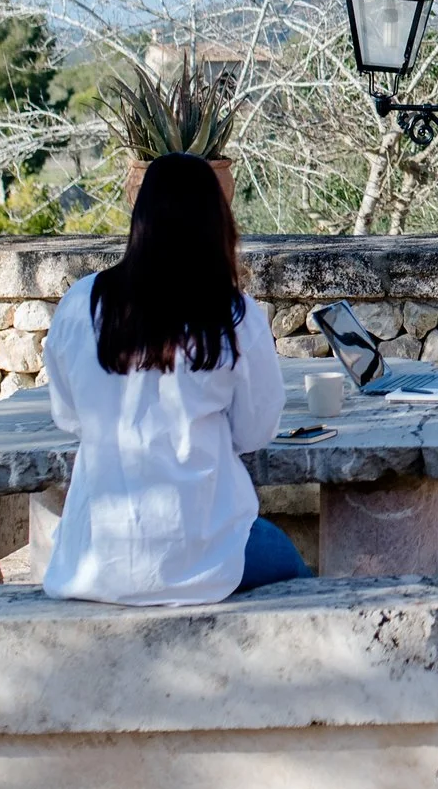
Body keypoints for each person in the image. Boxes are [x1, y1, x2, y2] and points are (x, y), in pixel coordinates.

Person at [41, 151, 309, 605]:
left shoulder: (80, 304)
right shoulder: (233, 316)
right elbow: (255, 431)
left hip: (96, 558)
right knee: (296, 573)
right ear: (217, 224)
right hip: (202, 552)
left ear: (139, 218)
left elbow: (68, 416)